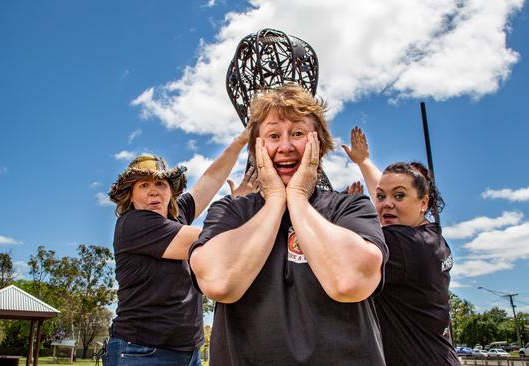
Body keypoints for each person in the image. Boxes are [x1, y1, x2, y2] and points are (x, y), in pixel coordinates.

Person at [189, 84, 388, 365]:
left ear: (318, 142)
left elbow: (349, 282)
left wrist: (296, 197)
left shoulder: (350, 207)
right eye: (273, 135)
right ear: (257, 147)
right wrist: (273, 202)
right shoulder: (230, 211)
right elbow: (221, 283)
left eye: (297, 133)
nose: (285, 147)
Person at [104, 127, 252, 366]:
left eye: (161, 184)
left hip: (188, 353)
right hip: (142, 352)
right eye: (143, 185)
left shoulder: (176, 216)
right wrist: (237, 206)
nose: (154, 190)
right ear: (130, 196)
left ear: (170, 191)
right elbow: (214, 243)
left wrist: (241, 140)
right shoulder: (135, 224)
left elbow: (211, 179)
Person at [342, 127, 459, 365]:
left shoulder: (403, 245)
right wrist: (364, 162)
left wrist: (348, 214)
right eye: (380, 197)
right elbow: (389, 198)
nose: (386, 205)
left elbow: (345, 254)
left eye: (399, 196)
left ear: (424, 201)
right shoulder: (431, 237)